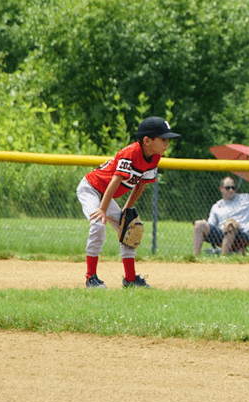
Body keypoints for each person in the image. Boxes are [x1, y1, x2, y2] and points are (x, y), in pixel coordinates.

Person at [76, 116, 180, 288]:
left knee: (129, 230)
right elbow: (115, 181)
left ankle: (130, 279)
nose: (167, 144)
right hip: (91, 188)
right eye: (163, 139)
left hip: (105, 195)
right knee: (98, 224)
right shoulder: (130, 153)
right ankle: (91, 277)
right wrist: (102, 209)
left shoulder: (154, 158)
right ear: (147, 140)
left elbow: (141, 186)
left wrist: (126, 209)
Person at [193, 176, 249, 256]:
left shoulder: (247, 198)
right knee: (199, 224)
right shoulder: (217, 206)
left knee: (230, 224)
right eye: (228, 188)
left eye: (233, 188)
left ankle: (223, 257)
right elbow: (212, 225)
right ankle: (196, 257)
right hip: (222, 234)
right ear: (221, 189)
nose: (231, 190)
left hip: (242, 234)